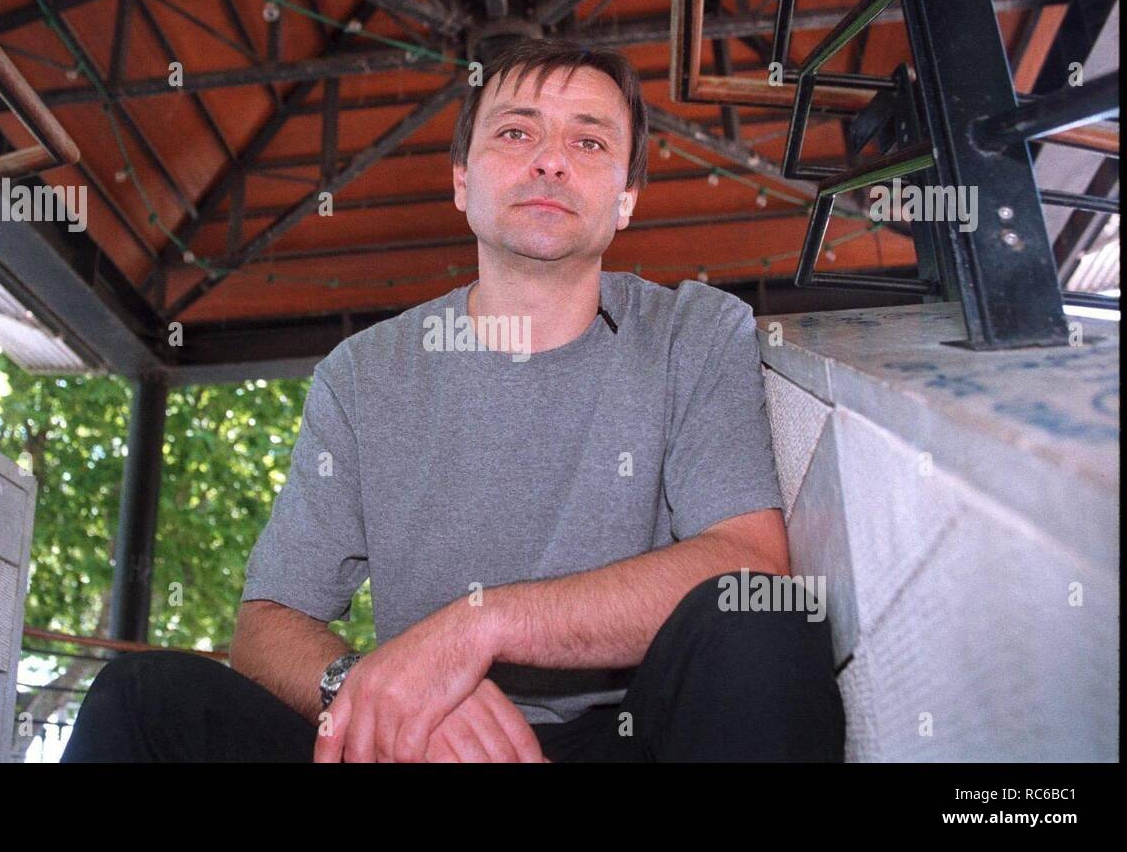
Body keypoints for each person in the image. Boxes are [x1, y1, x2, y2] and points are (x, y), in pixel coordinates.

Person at [63, 38, 844, 763]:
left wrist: (480, 626)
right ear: (462, 181)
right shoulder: (362, 375)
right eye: (515, 133)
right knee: (144, 697)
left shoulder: (694, 331)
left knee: (765, 621)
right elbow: (265, 627)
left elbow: (746, 560)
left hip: (624, 739)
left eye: (590, 141)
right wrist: (373, 690)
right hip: (416, 751)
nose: (550, 163)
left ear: (627, 197)